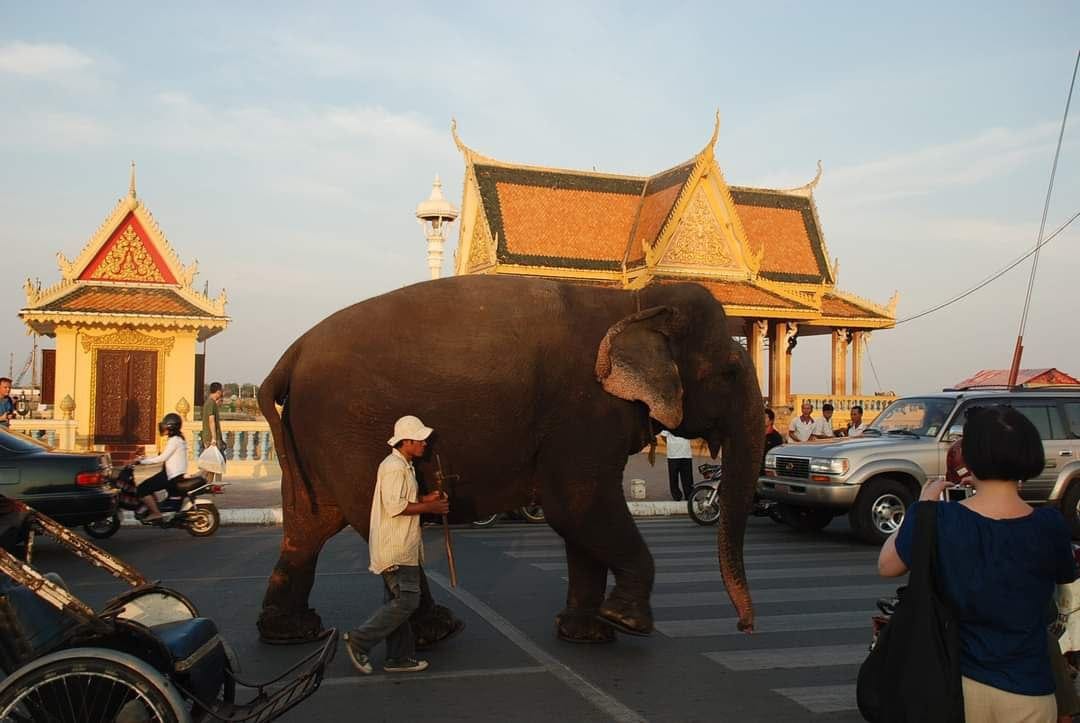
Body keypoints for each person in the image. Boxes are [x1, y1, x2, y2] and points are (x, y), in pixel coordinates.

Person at [878, 405, 1077, 722]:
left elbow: (887, 566)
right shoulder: (1050, 525)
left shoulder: (939, 518)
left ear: (967, 459)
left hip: (956, 685)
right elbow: (1063, 577)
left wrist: (922, 507)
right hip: (1029, 688)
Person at [344, 415, 450, 675]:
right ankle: (360, 640)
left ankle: (399, 657)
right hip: (396, 548)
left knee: (399, 602)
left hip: (402, 546)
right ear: (407, 441)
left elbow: (405, 499)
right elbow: (395, 506)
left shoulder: (404, 465)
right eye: (420, 440)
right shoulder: (393, 467)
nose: (425, 444)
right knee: (408, 602)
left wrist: (427, 498)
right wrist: (432, 507)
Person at [134, 413, 188, 522]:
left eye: (165, 425)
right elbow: (163, 456)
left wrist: (143, 462)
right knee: (149, 484)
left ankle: (156, 513)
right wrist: (145, 458)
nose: (162, 428)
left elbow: (162, 458)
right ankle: (156, 506)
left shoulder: (174, 441)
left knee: (142, 489)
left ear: (171, 427)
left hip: (171, 476)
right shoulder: (177, 439)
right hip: (170, 473)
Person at [659, 430, 694, 501]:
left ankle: (689, 495)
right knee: (673, 478)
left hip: (686, 454)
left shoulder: (687, 423)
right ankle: (676, 496)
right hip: (673, 455)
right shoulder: (668, 423)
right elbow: (663, 436)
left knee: (688, 477)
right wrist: (671, 444)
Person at [201, 382, 225, 454]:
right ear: (218, 392)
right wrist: (214, 438)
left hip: (210, 437)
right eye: (221, 391)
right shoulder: (211, 403)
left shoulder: (210, 402)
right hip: (210, 438)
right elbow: (211, 421)